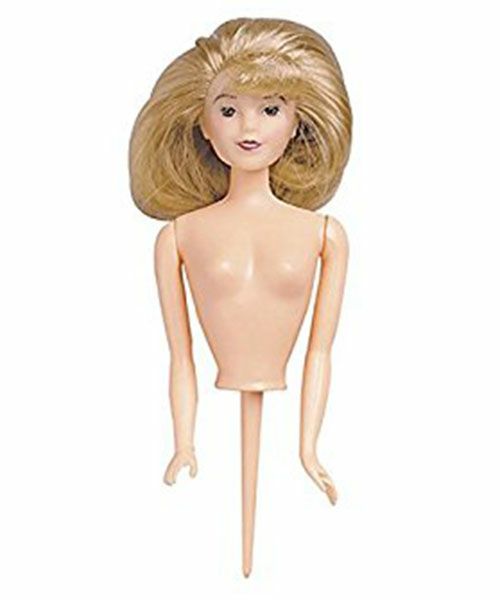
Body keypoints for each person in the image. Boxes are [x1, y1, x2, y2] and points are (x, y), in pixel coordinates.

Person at [129, 16, 352, 577]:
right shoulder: (178, 236)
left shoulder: (325, 234)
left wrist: (308, 447)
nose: (249, 127)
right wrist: (184, 441)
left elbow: (320, 351)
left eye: (270, 109)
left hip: (281, 379)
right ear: (202, 124)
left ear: (297, 121)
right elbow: (179, 354)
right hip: (221, 376)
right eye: (228, 110)